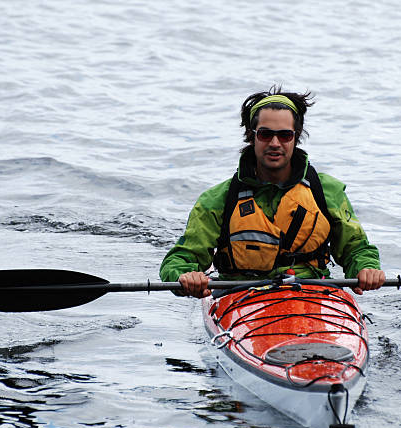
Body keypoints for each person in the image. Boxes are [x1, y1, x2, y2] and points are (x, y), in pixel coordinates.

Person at [160, 87, 385, 298]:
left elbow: (356, 249)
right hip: (240, 297)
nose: (275, 143)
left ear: (296, 137)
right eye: (265, 134)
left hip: (315, 295)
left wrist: (367, 268)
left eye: (285, 135)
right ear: (252, 136)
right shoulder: (217, 200)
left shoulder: (327, 191)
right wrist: (185, 275)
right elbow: (180, 259)